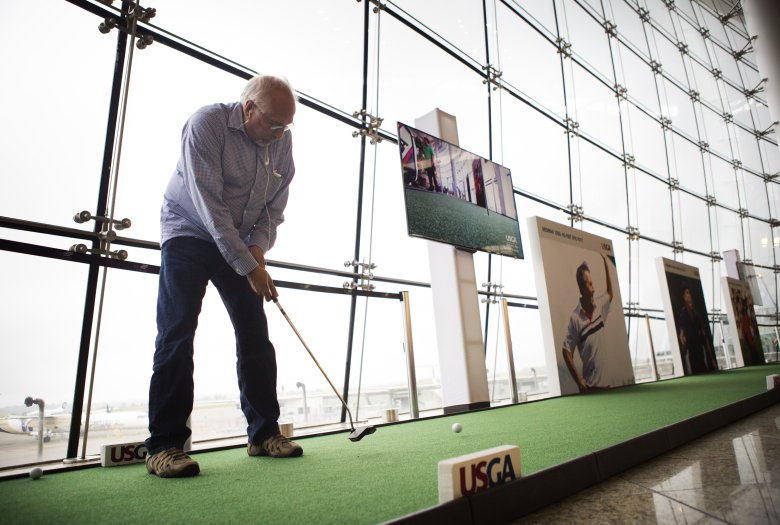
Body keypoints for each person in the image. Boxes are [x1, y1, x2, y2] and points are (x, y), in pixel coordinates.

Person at [144, 75, 302, 478]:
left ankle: (263, 433)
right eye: (274, 124)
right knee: (177, 333)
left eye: (287, 126)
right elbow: (209, 205)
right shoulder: (206, 125)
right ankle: (163, 445)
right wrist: (249, 265)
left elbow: (272, 209)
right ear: (248, 108)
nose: (281, 133)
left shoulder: (280, 140)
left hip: (239, 240)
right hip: (189, 232)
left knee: (255, 334)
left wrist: (257, 251)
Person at [562, 254, 614, 393]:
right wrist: (579, 381)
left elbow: (610, 293)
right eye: (589, 285)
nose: (593, 289)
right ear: (581, 289)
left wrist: (606, 264)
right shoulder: (575, 318)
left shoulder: (600, 306)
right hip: (591, 390)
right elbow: (566, 351)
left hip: (608, 387)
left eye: (593, 284)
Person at [676, 285, 718, 374]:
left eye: (689, 293)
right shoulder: (683, 314)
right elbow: (682, 334)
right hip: (692, 351)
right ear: (683, 297)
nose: (689, 295)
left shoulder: (696, 314)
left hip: (700, 349)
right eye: (687, 293)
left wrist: (711, 358)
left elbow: (704, 335)